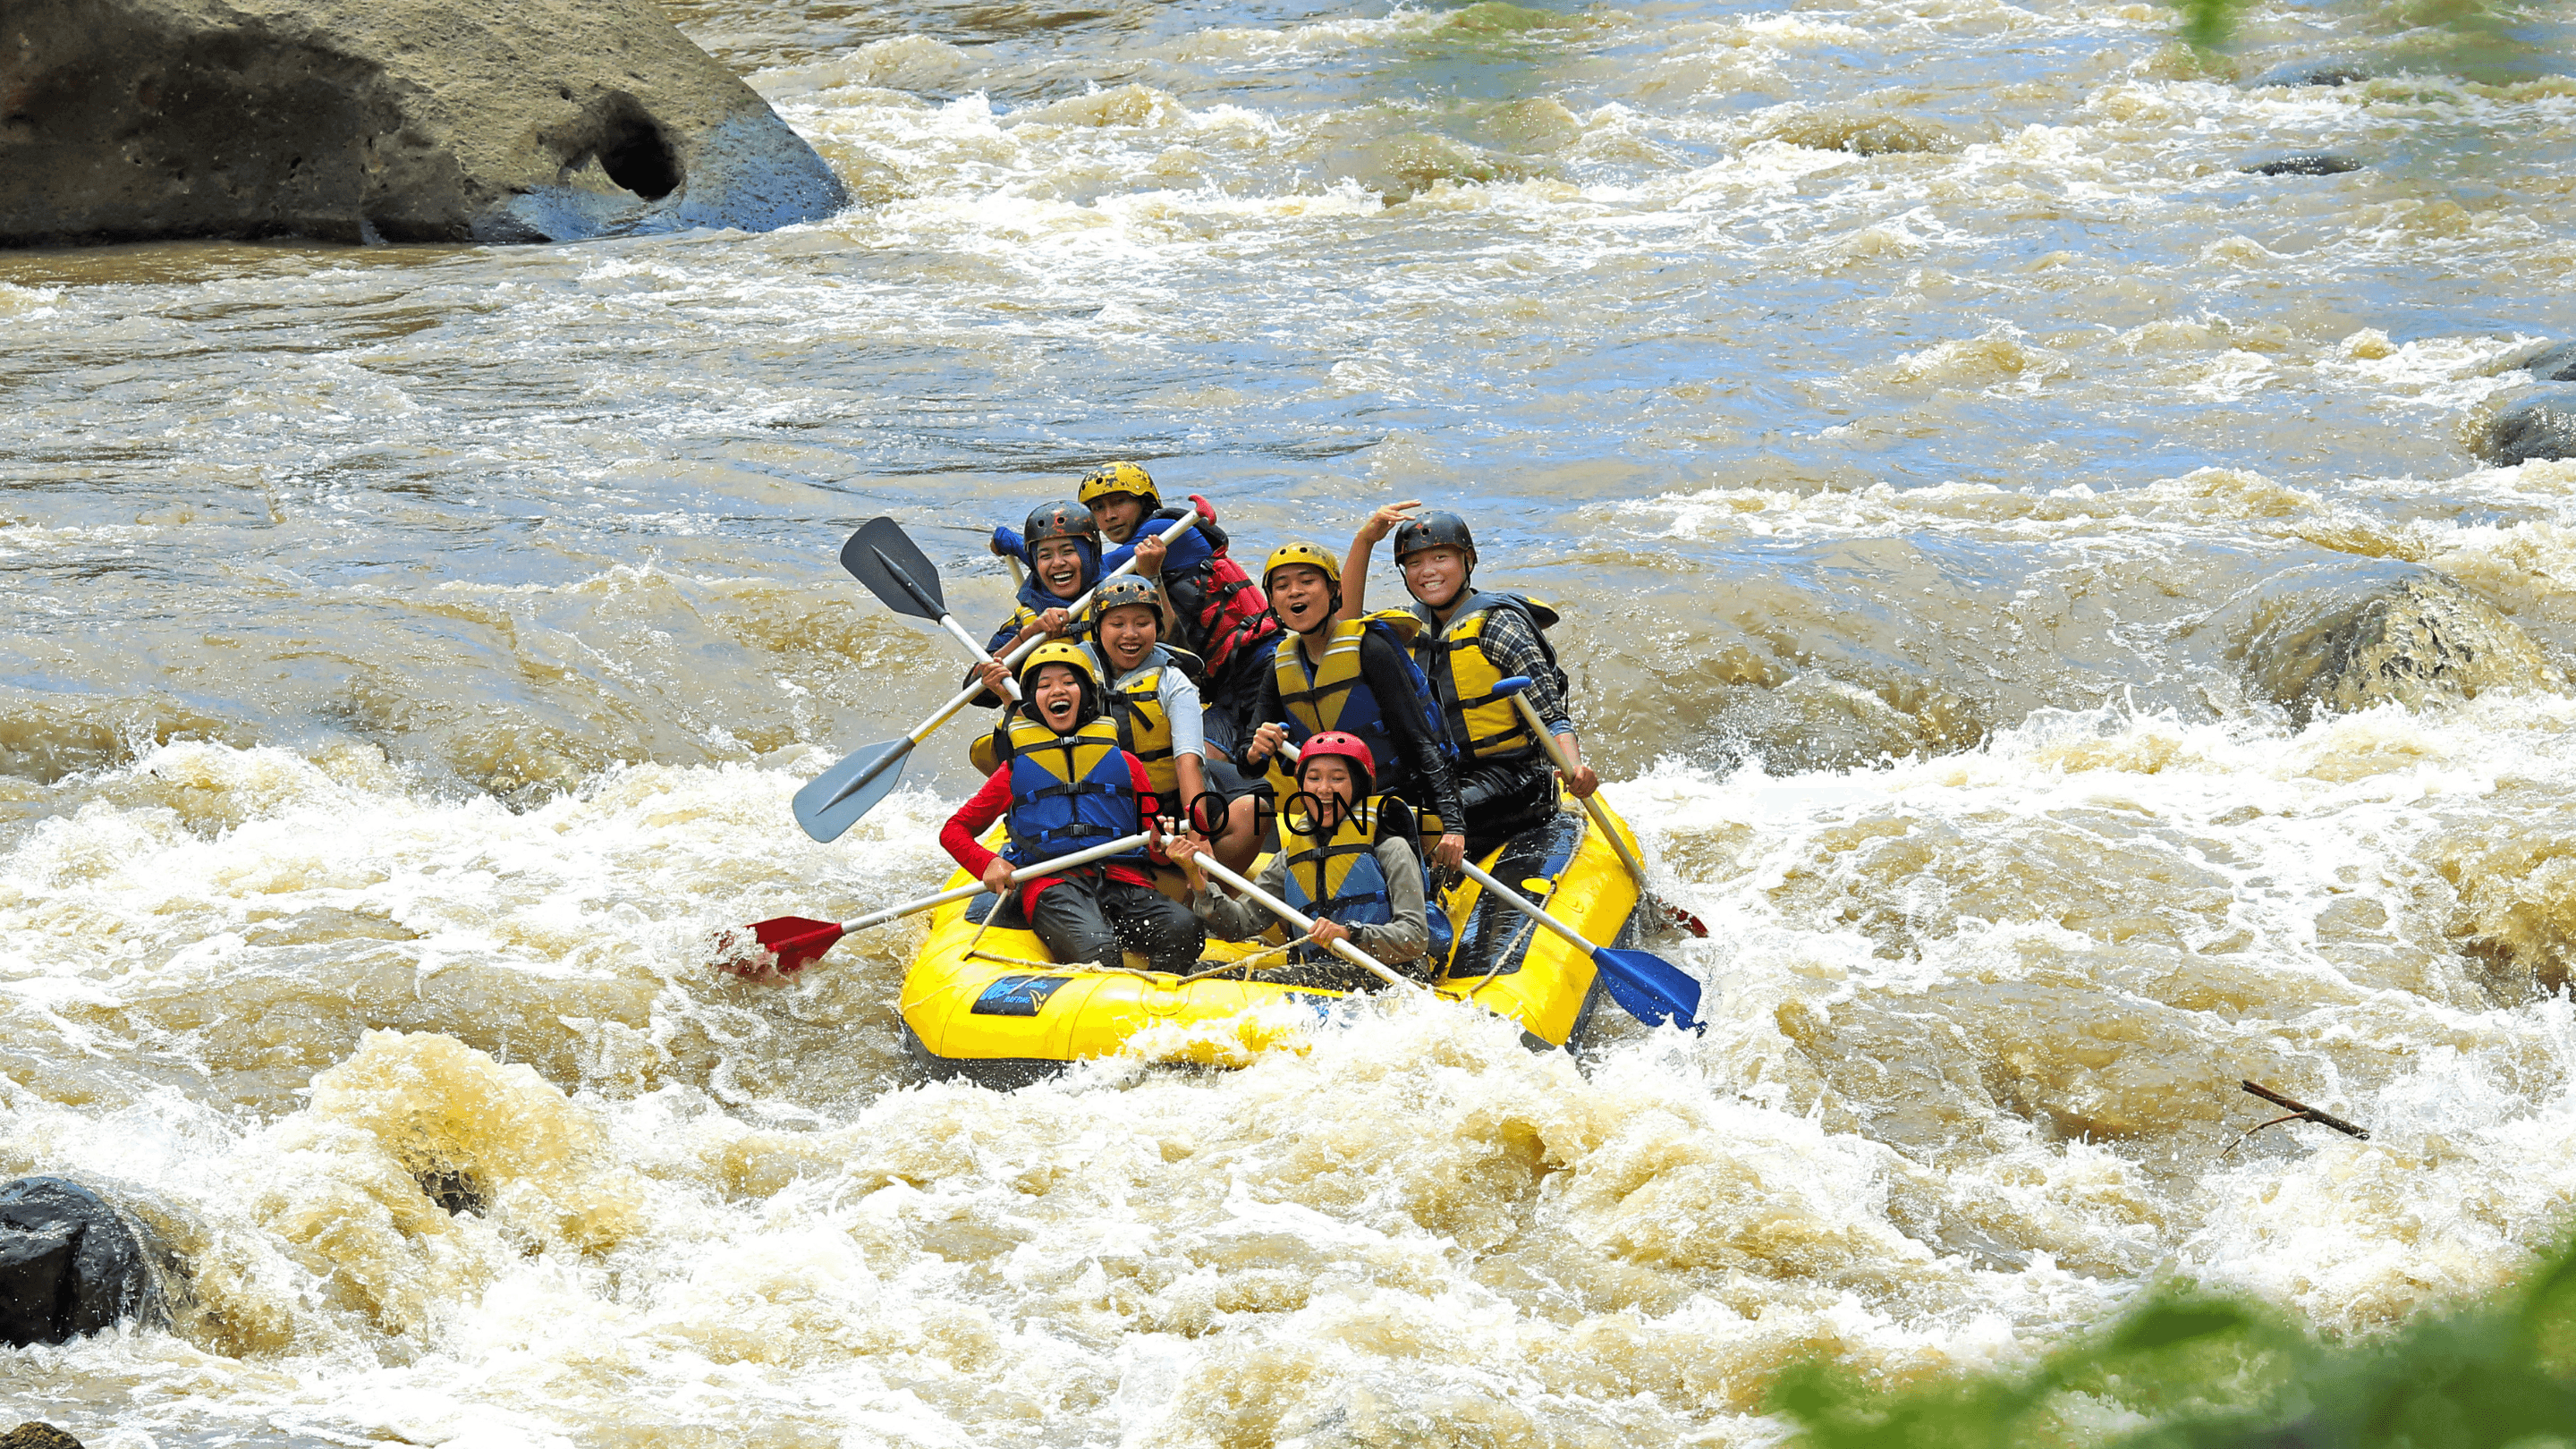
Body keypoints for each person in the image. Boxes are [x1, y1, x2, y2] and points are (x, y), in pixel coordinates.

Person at [1344, 504, 1599, 858]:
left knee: (1416, 821)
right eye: (1414, 563)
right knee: (1363, 816)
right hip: (1441, 776)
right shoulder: (1405, 628)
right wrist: (1364, 541)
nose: (1427, 572)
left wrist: (1573, 767)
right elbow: (1345, 627)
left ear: (1468, 561)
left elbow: (1551, 717)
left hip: (1516, 778)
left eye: (1440, 558)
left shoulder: (1499, 626)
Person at [939, 640, 1205, 973]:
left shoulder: (1127, 765)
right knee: (1099, 949)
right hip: (1052, 883)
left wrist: (1160, 842)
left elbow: (1153, 848)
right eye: (1045, 685)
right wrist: (987, 863)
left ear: (1086, 694)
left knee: (1184, 930)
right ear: (1033, 702)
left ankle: (1160, 1000)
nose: (1057, 690)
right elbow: (953, 831)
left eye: (1068, 682)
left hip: (1122, 880)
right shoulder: (1014, 771)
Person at [1238, 540, 1467, 873]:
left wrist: (1453, 826)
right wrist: (1255, 749)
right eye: (1282, 586)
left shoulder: (1371, 650)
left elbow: (1420, 743)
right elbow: (1249, 765)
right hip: (1330, 807)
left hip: (1395, 801)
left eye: (1307, 581)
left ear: (1333, 592)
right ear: (1272, 601)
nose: (1294, 593)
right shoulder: (1280, 667)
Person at [1161, 732, 1444, 990]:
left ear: (1357, 786)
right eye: (1314, 778)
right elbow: (1238, 925)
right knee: (1204, 971)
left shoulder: (1391, 848)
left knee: (1215, 977)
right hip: (1324, 975)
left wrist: (1350, 934)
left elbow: (1415, 937)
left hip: (1390, 976)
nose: (1324, 789)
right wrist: (1197, 878)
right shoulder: (1290, 859)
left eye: (1337, 778)